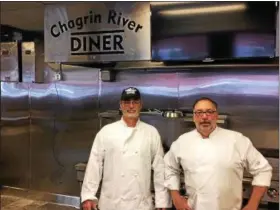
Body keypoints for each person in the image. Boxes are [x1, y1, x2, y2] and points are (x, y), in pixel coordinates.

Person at [164, 97, 272, 210]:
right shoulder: (182, 141)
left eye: (209, 112)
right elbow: (169, 167)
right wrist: (176, 197)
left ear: (216, 115)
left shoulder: (237, 140)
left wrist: (253, 204)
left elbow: (263, 170)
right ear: (194, 117)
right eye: (199, 113)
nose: (204, 117)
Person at [81, 87, 171, 210]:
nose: (131, 106)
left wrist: (162, 202)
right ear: (121, 105)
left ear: (141, 105)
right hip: (111, 204)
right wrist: (88, 195)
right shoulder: (106, 132)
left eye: (135, 102)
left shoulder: (151, 132)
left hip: (141, 205)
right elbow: (94, 164)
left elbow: (160, 170)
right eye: (127, 102)